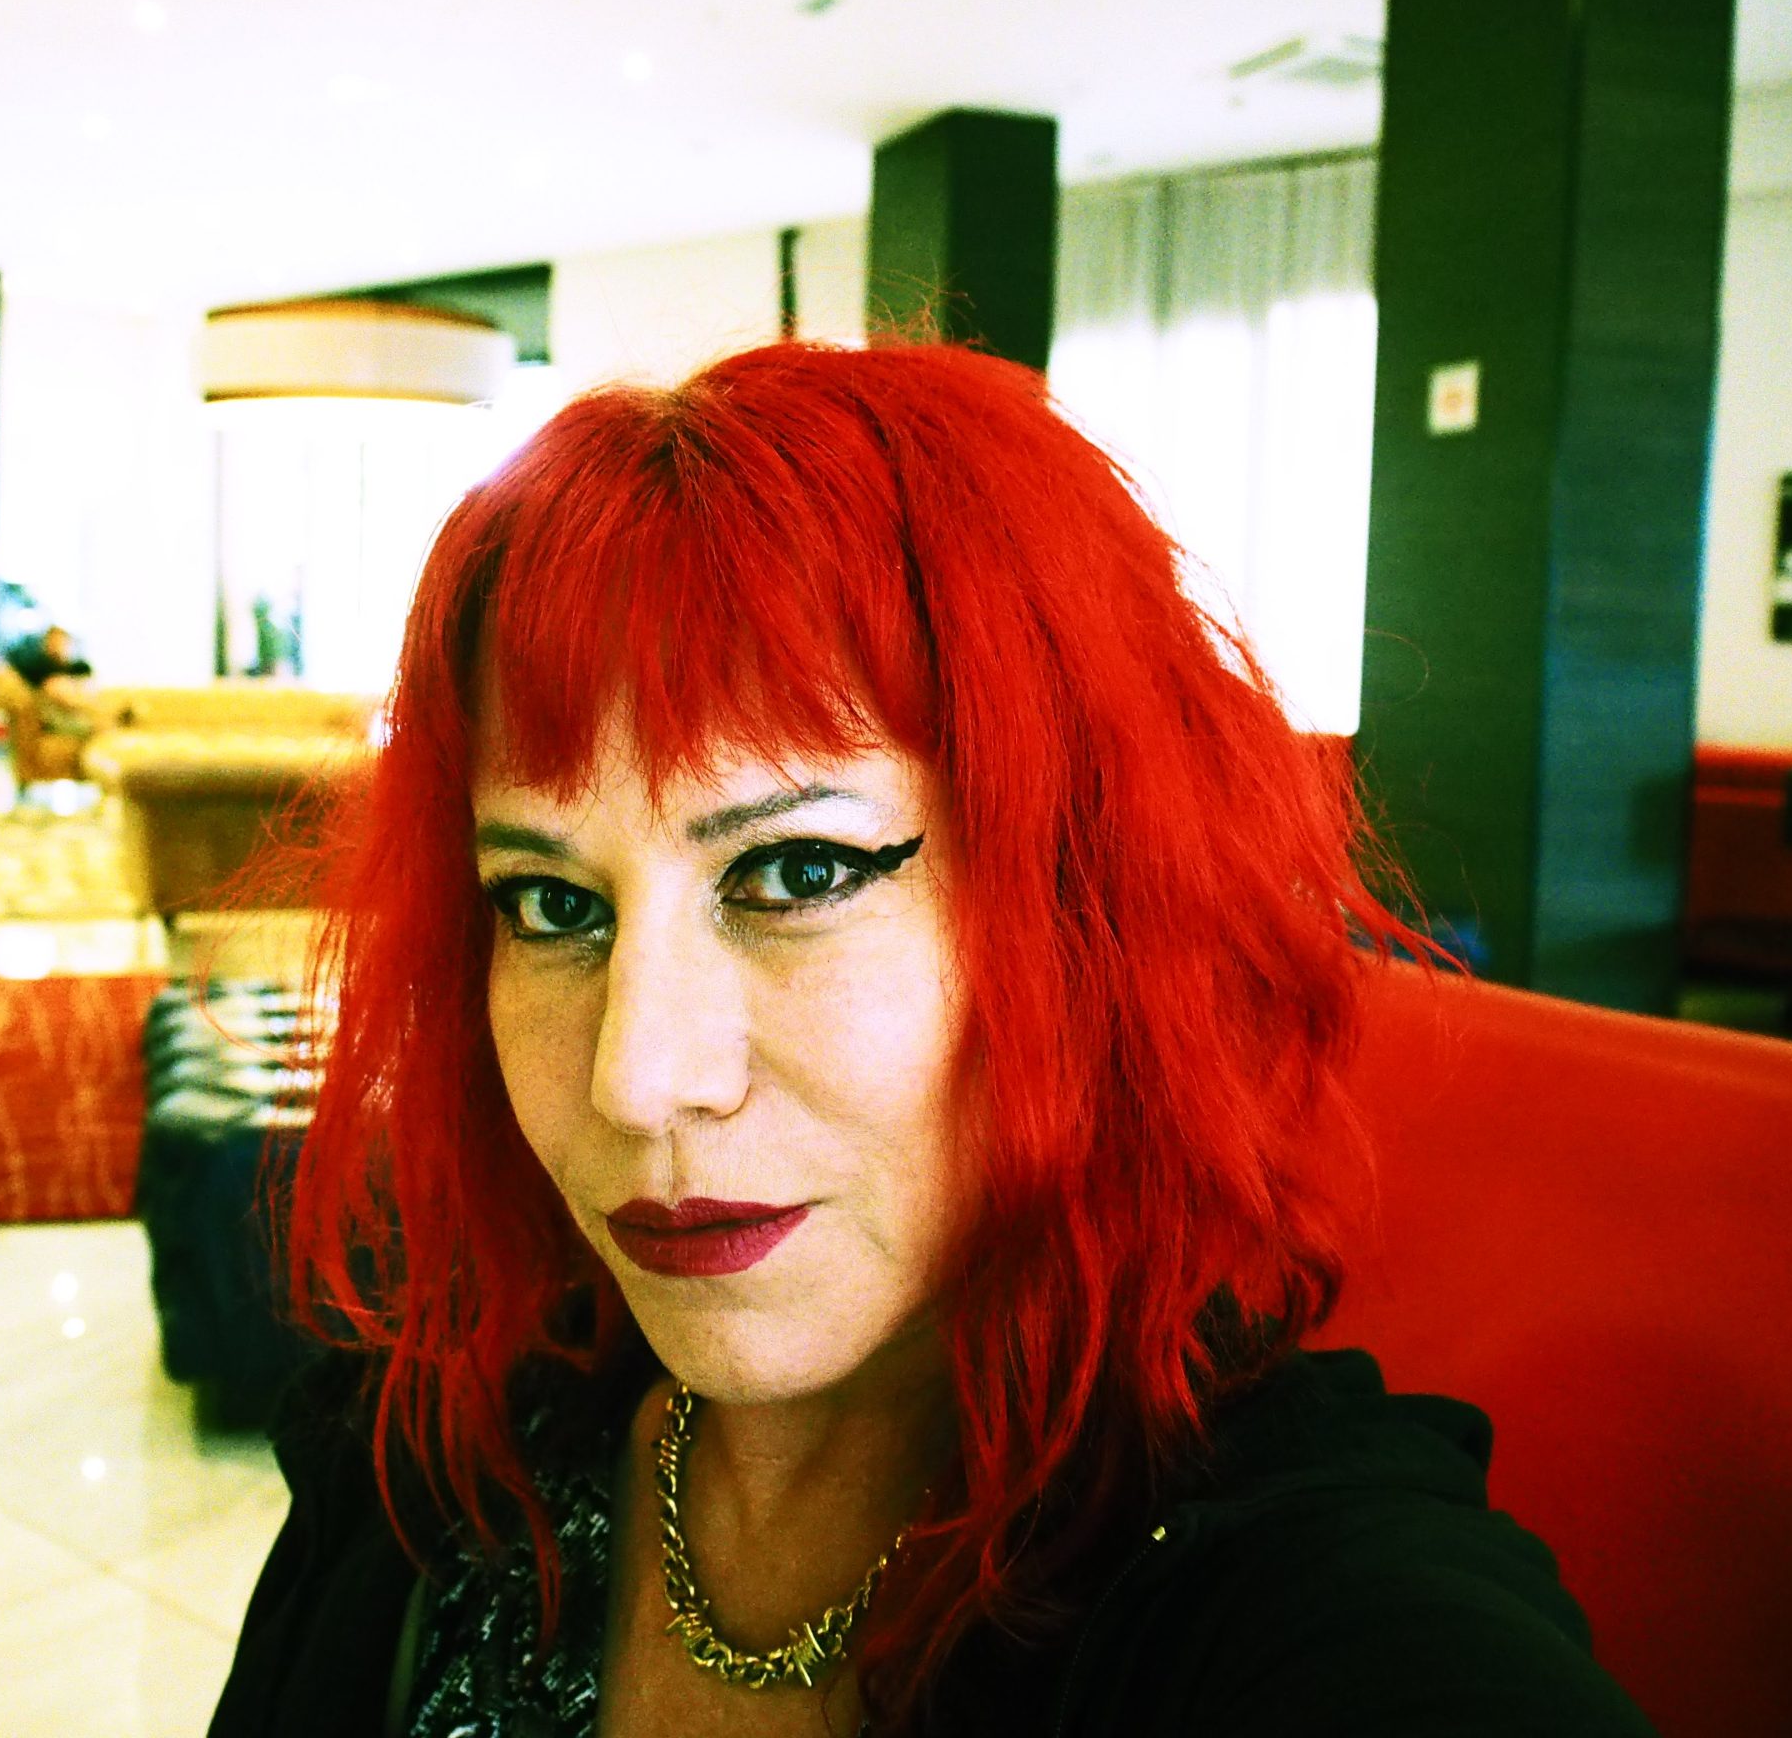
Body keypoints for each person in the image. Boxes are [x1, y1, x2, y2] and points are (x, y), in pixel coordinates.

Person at [211, 342, 1651, 1737]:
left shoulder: (1290, 1601)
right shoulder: (427, 1469)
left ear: (1087, 911)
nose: (637, 1079)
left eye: (798, 873)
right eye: (551, 903)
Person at [5, 622, 100, 736]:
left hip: (79, 709)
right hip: (57, 716)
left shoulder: (78, 667)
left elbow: (89, 685)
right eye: (54, 641)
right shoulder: (40, 667)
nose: (58, 646)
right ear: (46, 643)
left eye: (62, 642)